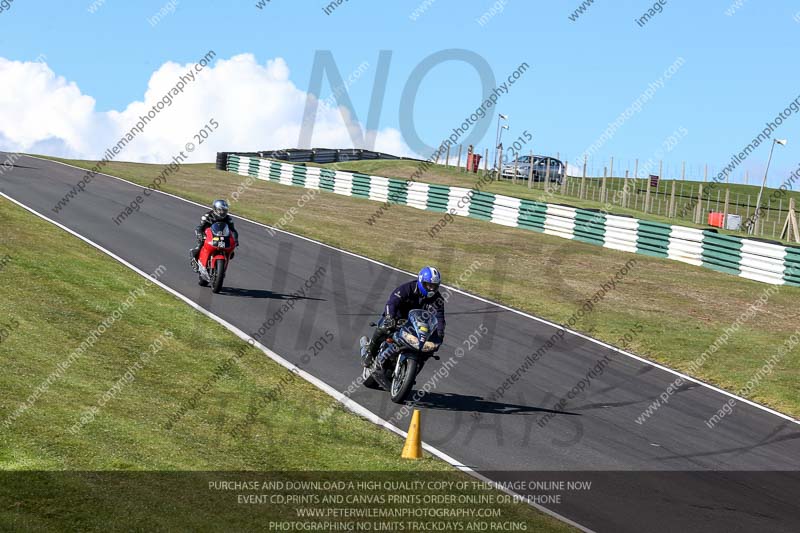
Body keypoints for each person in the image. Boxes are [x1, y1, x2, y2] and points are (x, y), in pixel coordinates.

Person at [362, 266, 446, 366]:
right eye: (428, 285)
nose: (431, 289)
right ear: (421, 281)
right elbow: (392, 302)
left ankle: (412, 373)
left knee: (428, 350)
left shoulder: (438, 299)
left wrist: (440, 333)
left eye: (434, 286)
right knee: (383, 327)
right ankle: (370, 353)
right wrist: (390, 317)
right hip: (397, 319)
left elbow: (439, 317)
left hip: (416, 326)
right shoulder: (408, 288)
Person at [190, 199, 239, 271]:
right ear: (215, 209)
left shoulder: (228, 218)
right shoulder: (208, 216)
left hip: (223, 237)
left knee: (231, 253)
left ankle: (221, 269)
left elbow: (233, 230)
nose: (222, 212)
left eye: (224, 210)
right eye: (220, 210)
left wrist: (235, 240)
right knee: (199, 246)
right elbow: (199, 227)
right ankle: (194, 259)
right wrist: (200, 234)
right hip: (208, 236)